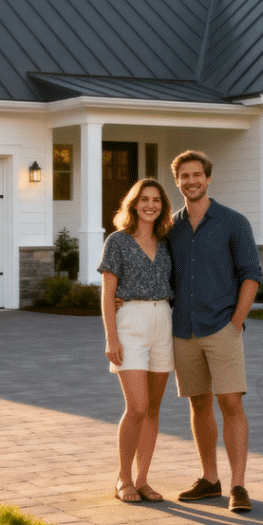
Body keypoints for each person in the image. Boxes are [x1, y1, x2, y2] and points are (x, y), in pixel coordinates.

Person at [168, 150, 262, 513]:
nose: (191, 181)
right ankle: (210, 479)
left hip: (222, 326)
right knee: (199, 403)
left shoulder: (233, 222)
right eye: (184, 176)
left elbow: (251, 274)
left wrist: (236, 321)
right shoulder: (170, 227)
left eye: (197, 175)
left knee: (231, 403)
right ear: (177, 182)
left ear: (208, 179)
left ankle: (238, 485)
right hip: (183, 330)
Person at [98, 178, 175, 504]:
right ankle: (123, 477)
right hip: (130, 323)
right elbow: (108, 294)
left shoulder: (167, 242)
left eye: (156, 200)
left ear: (162, 206)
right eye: (144, 199)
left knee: (154, 409)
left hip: (163, 321)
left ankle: (143, 480)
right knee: (138, 407)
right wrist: (111, 337)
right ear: (133, 203)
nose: (150, 205)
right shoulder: (118, 241)